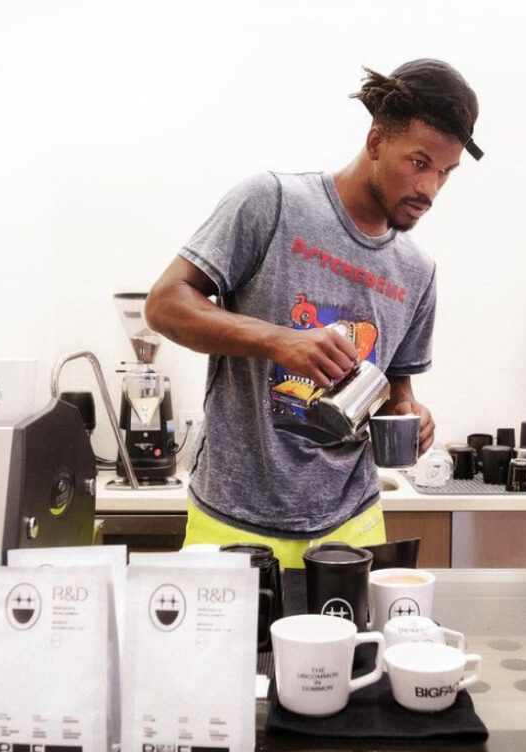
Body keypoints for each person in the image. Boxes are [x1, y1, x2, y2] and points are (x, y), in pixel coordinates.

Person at [145, 59, 482, 568]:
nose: (429, 190)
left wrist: (409, 414)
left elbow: (396, 388)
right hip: (233, 518)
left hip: (353, 524)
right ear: (376, 142)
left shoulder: (418, 270)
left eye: (445, 173)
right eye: (419, 163)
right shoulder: (270, 202)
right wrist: (279, 340)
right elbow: (165, 303)